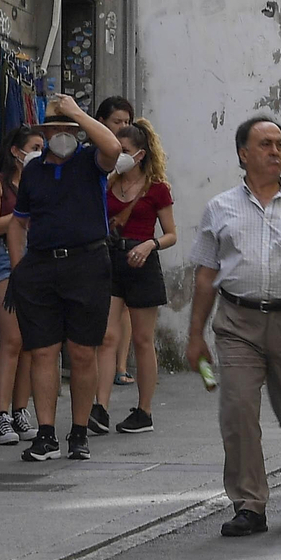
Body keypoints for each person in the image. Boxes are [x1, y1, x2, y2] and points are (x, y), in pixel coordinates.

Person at [187, 116, 281, 537]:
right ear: (244, 154)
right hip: (237, 321)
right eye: (266, 144)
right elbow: (205, 275)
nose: (275, 152)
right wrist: (195, 334)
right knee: (237, 411)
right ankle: (249, 503)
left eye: (279, 144)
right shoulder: (220, 208)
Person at [6, 94, 122, 461]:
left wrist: (77, 113)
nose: (62, 134)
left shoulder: (91, 161)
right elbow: (19, 221)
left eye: (69, 129)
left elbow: (114, 146)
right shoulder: (34, 170)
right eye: (56, 128)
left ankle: (79, 431)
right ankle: (45, 433)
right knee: (42, 350)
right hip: (41, 265)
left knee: (82, 351)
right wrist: (17, 267)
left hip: (87, 263)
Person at [92, 119, 176, 435]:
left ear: (140, 155)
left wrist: (149, 244)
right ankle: (100, 407)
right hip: (112, 259)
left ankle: (144, 410)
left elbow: (171, 234)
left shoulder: (157, 189)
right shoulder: (108, 183)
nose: (117, 153)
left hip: (143, 262)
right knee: (107, 336)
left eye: (123, 149)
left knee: (142, 339)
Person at [0, 126, 45, 446]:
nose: (40, 152)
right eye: (34, 146)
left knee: (32, 343)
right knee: (12, 339)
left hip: (37, 261)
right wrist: (23, 213)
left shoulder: (40, 182)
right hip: (5, 261)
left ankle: (21, 410)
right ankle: (1, 416)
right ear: (16, 151)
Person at [95, 96, 138, 392]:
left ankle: (120, 366)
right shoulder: (94, 159)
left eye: (127, 122)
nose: (122, 127)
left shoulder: (133, 162)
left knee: (124, 310)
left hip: (127, 245)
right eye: (116, 122)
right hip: (99, 243)